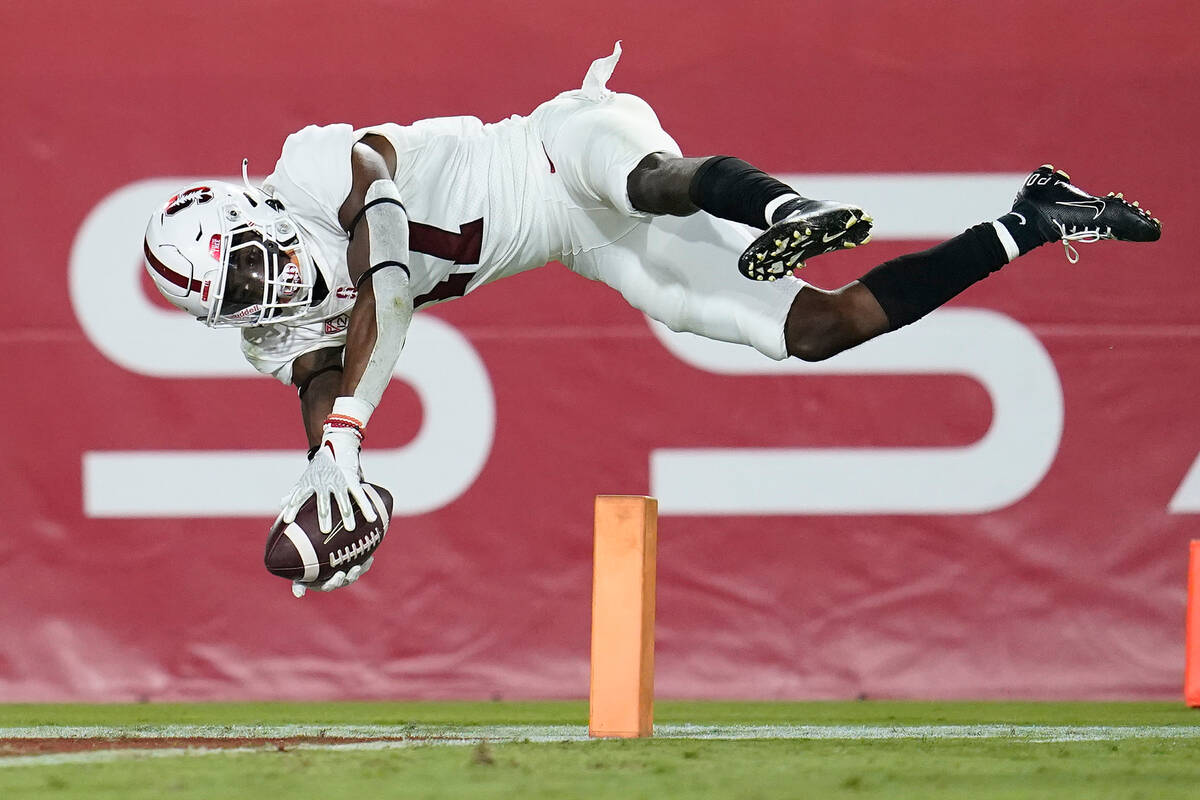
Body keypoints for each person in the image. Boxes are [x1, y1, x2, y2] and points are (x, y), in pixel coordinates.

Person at [142, 44, 1161, 597]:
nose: (259, 288)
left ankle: (779, 208)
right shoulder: (268, 330)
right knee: (819, 328)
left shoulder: (319, 162)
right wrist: (331, 462)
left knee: (638, 176)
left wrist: (348, 440)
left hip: (548, 150)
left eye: (244, 263)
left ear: (250, 211)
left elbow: (390, 288)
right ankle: (1034, 218)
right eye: (232, 296)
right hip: (575, 243)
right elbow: (325, 375)